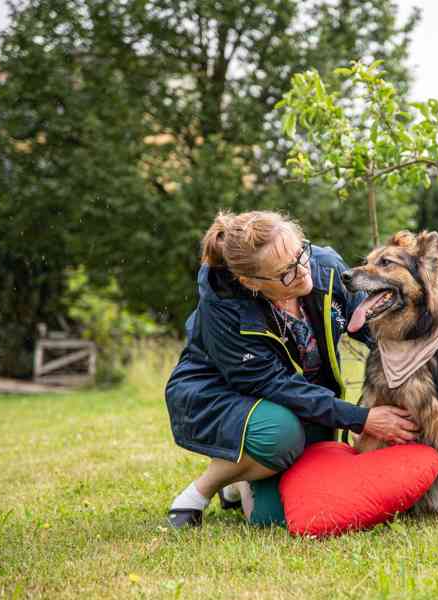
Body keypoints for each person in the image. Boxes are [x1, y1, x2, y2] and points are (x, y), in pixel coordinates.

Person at [165, 210, 419, 528]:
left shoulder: (323, 266)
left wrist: (420, 343)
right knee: (279, 436)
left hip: (299, 403)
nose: (303, 272)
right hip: (221, 397)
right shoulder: (224, 309)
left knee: (276, 515)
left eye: (301, 254)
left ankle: (240, 479)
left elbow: (366, 322)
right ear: (251, 282)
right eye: (286, 273)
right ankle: (199, 493)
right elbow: (274, 384)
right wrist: (362, 418)